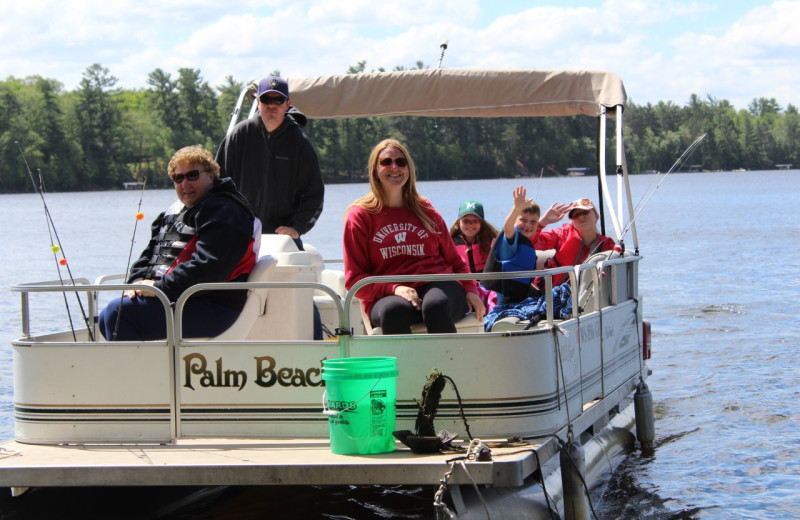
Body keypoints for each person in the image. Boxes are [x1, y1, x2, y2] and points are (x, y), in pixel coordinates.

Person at [99, 146, 258, 341]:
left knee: (119, 314)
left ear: (211, 176)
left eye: (192, 176)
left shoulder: (225, 211)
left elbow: (210, 267)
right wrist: (137, 283)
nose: (185, 184)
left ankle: (136, 371)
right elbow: (149, 256)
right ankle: (139, 370)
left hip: (213, 306)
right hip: (179, 298)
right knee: (106, 316)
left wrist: (159, 287)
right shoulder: (175, 213)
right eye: (178, 178)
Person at [343, 139, 485, 335]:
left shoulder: (425, 210)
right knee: (393, 312)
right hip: (390, 295)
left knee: (436, 306)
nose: (394, 167)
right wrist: (394, 288)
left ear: (409, 169)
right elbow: (355, 281)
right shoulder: (360, 216)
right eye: (386, 162)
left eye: (401, 162)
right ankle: (407, 366)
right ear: (375, 169)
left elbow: (455, 262)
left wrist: (470, 290)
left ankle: (446, 365)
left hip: (438, 284)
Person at [215, 75, 324, 250]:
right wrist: (226, 222)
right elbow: (218, 183)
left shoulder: (300, 142)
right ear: (258, 102)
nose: (272, 105)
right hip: (241, 234)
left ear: (287, 103)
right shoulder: (240, 134)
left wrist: (297, 228)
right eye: (266, 99)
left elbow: (314, 194)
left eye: (278, 99)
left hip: (282, 239)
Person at [532, 197, 616, 288]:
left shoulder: (607, 244)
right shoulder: (562, 234)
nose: (581, 216)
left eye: (585, 212)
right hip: (548, 293)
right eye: (576, 215)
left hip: (585, 296)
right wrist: (543, 222)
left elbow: (619, 260)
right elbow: (529, 243)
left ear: (596, 217)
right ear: (572, 222)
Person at [482, 186, 542, 304]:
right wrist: (516, 209)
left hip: (515, 298)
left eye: (533, 222)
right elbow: (508, 228)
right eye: (523, 220)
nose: (528, 225)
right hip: (498, 300)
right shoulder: (512, 238)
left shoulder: (526, 242)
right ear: (515, 220)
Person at [449, 200, 499, 310]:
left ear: (481, 222)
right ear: (459, 222)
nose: (470, 225)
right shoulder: (450, 243)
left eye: (475, 221)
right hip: (465, 287)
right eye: (466, 221)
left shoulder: (492, 239)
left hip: (488, 286)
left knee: (494, 298)